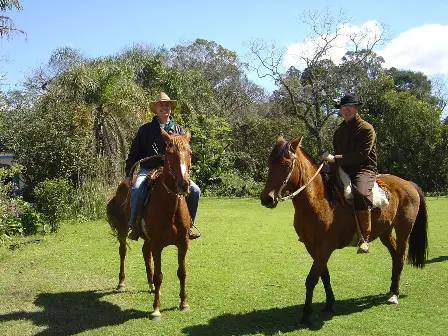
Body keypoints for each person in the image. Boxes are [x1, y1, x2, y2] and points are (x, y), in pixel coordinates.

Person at [125, 92, 201, 241]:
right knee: (137, 188)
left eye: (167, 105)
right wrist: (128, 174)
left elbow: (185, 154)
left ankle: (189, 226)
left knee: (195, 190)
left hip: (173, 172)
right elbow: (133, 154)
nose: (164, 107)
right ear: (156, 109)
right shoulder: (145, 129)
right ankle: (134, 225)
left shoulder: (179, 131)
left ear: (170, 108)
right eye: (161, 105)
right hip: (148, 169)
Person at [321, 94, 378, 253]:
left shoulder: (366, 129)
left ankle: (364, 238)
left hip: (363, 168)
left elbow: (361, 155)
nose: (347, 110)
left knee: (359, 192)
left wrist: (335, 158)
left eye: (350, 107)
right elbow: (338, 156)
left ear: (356, 108)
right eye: (344, 107)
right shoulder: (339, 131)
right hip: (344, 168)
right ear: (340, 110)